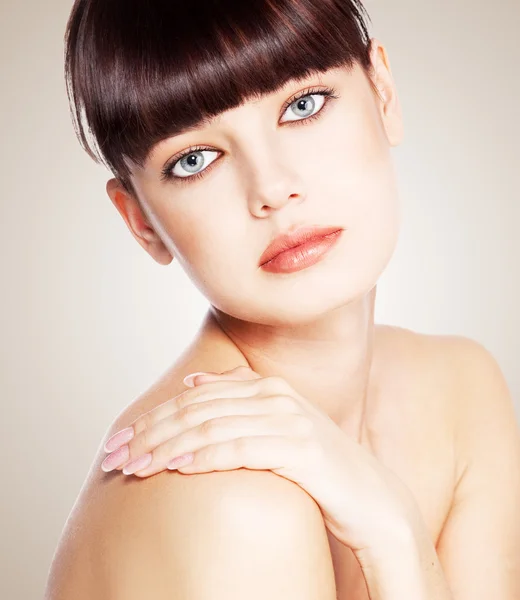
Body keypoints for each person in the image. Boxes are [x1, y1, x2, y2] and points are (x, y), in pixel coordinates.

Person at [44, 1, 520, 598]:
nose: (271, 188)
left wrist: (391, 533)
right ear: (140, 220)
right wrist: (396, 541)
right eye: (195, 160)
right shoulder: (230, 503)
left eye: (303, 105)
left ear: (384, 94)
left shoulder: (460, 386)